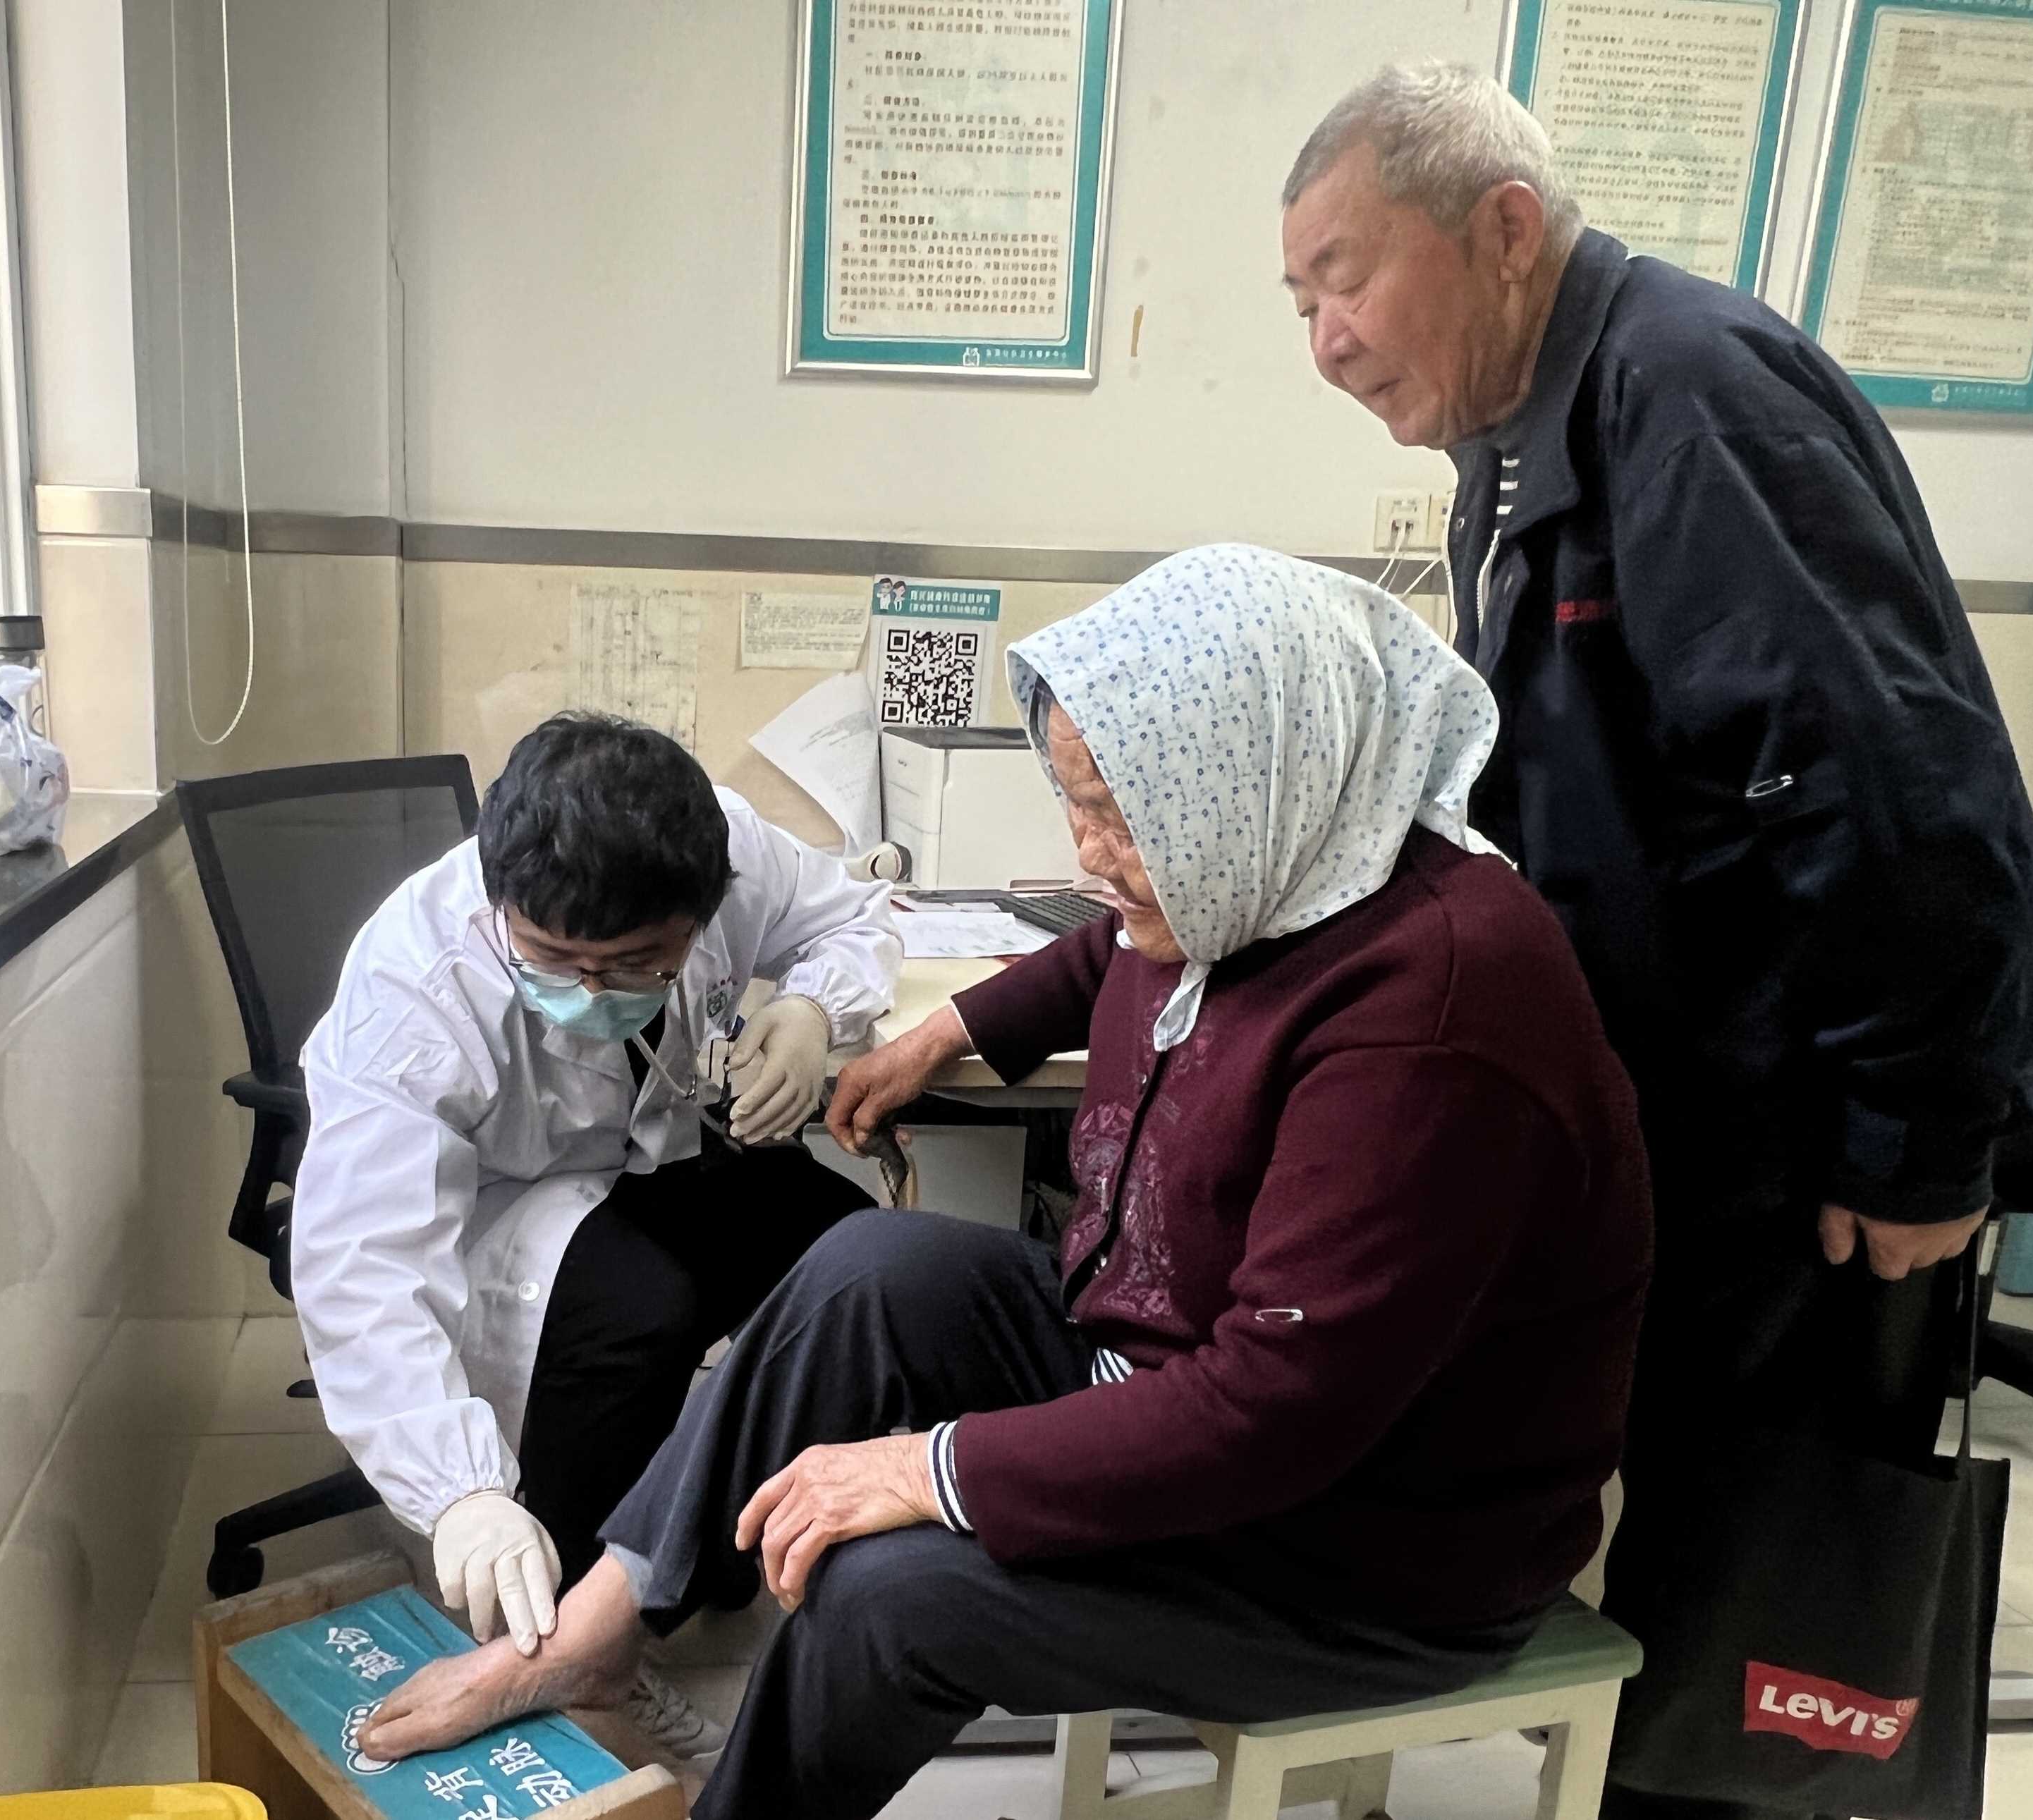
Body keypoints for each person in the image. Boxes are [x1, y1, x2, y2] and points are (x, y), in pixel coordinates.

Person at [350, 546, 1654, 1819]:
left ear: (1258, 773)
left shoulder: (1432, 1015)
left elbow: (1277, 1409)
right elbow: (1103, 955)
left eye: (1116, 816)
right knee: (867, 1269)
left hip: (1363, 1539)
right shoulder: (1264, 869)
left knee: (887, 1593)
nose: (1087, 853)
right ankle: (597, 1628)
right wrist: (944, 1033)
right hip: (1165, 1379)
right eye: (1073, 802)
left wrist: (930, 1467)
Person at [1279, 64, 2033, 1816]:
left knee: (1776, 1597)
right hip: (1713, 1110)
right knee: (1697, 1553)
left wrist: (1916, 1139)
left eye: (1347, 277)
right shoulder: (1530, 428)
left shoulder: (1689, 392)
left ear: (1504, 228)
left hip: (1830, 1130)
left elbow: (1887, 785)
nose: (1327, 342)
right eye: (1300, 304)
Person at [291, 711, 896, 1754]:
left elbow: (856, 914)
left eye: (632, 964)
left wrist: (811, 1011)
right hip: (503, 1205)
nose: (587, 990)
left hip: (654, 1158)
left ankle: (736, 1536)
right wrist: (461, 1494)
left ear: (702, 909)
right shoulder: (413, 984)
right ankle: (578, 1647)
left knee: (851, 1253)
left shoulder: (725, 850)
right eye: (550, 957)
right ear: (501, 900)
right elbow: (361, 1263)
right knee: (638, 1306)